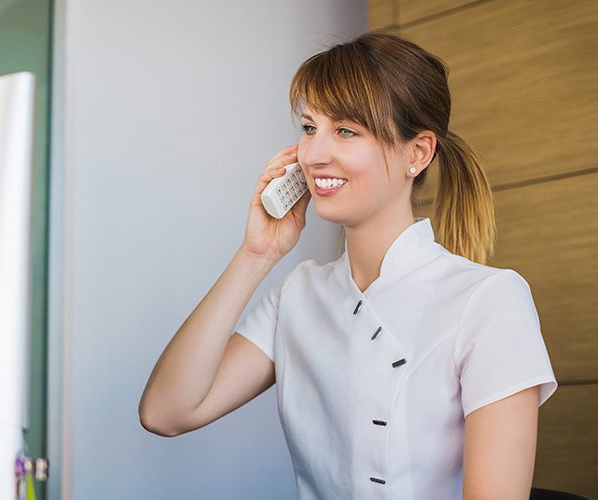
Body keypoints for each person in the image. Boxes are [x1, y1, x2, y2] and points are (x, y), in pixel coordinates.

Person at [138, 32, 557, 499]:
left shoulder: (490, 300)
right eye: (310, 127)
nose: (315, 154)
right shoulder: (298, 295)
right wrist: (256, 254)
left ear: (417, 154)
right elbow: (165, 413)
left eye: (346, 131)